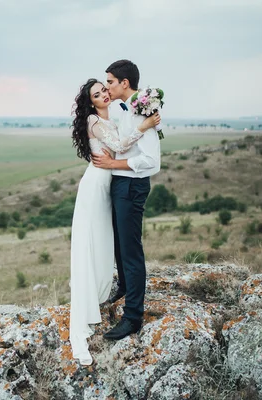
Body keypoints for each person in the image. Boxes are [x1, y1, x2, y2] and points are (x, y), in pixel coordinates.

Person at [69, 78, 160, 365]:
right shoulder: (94, 121)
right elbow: (120, 144)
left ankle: (105, 286)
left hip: (112, 182)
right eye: (97, 94)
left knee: (107, 238)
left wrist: (150, 126)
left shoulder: (117, 113)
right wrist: (143, 127)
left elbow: (121, 145)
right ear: (91, 102)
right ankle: (90, 291)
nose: (103, 94)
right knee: (93, 237)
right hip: (97, 183)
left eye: (104, 89)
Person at [91, 59, 162, 341]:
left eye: (109, 81)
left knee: (131, 252)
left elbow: (151, 161)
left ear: (124, 83)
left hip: (132, 186)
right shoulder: (126, 111)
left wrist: (113, 166)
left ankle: (133, 317)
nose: (107, 86)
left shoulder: (141, 114)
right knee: (120, 245)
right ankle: (123, 287)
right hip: (121, 184)